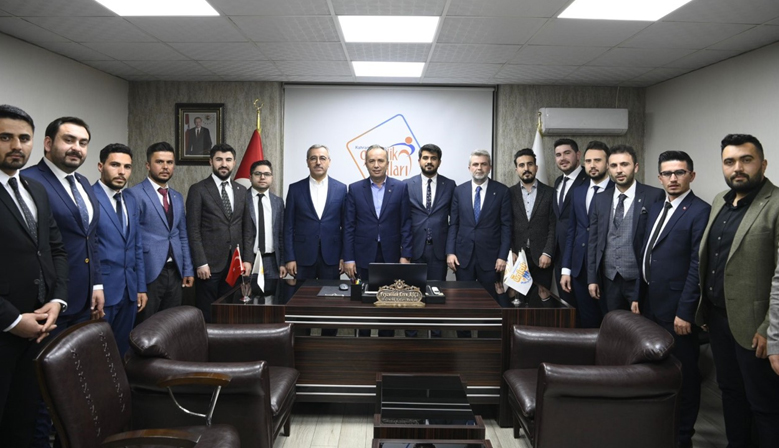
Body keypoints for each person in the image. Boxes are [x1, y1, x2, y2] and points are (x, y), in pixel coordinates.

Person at [697, 134, 779, 447]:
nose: (738, 168)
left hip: (756, 327)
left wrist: (769, 328)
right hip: (719, 320)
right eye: (729, 162)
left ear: (763, 164)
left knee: (764, 405)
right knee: (731, 393)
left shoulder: (775, 204)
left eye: (746, 160)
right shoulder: (720, 200)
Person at [0, 105, 68, 447]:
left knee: (25, 420)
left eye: (24, 138)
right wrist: (13, 320)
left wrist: (57, 300)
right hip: (6, 326)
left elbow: (55, 250)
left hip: (39, 326)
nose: (17, 145)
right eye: (5, 137)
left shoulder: (35, 189)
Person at [637, 150, 710, 448]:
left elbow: (697, 265)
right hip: (651, 305)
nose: (673, 178)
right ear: (659, 178)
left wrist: (686, 311)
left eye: (679, 172)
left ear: (691, 175)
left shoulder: (700, 211)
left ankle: (682, 438)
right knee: (658, 373)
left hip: (678, 311)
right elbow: (646, 253)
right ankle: (658, 430)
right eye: (667, 173)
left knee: (685, 377)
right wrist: (638, 297)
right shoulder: (657, 207)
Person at [343, 144, 412, 337]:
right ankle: (363, 342)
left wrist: (406, 255)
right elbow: (349, 226)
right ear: (365, 164)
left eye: (380, 160)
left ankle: (386, 344)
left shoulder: (400, 188)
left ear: (388, 163)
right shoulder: (355, 189)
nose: (376, 165)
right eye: (371, 161)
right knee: (363, 303)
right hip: (362, 255)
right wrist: (348, 258)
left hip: (391, 256)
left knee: (388, 302)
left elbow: (406, 223)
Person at [587, 145, 664, 313]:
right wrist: (592, 278)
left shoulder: (654, 196)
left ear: (635, 167)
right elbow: (593, 241)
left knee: (641, 325)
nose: (619, 170)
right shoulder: (600, 199)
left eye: (624, 164)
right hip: (609, 278)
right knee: (614, 323)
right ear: (608, 168)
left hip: (639, 279)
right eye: (614, 165)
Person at [186, 143, 253, 322]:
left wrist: (247, 259)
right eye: (219, 159)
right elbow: (193, 229)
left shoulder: (241, 191)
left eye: (228, 160)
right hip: (209, 266)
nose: (224, 164)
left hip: (235, 263)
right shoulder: (198, 189)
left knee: (231, 312)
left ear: (234, 162)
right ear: (211, 162)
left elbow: (247, 228)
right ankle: (207, 340)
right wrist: (200, 262)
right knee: (207, 312)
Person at [130, 141, 194, 325]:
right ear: (148, 165)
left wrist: (187, 269)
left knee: (171, 324)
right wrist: (139, 281)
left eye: (169, 162)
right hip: (149, 271)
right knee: (146, 325)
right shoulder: (134, 194)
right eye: (159, 162)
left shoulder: (177, 196)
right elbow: (133, 240)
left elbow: (182, 235)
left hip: (175, 272)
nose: (165, 167)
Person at [92, 143, 147, 356]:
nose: (121, 171)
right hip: (102, 291)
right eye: (115, 165)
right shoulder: (89, 197)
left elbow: (136, 245)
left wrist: (140, 287)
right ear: (100, 166)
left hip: (130, 291)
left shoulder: (131, 199)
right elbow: (88, 249)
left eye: (127, 166)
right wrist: (94, 287)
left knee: (122, 351)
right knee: (98, 352)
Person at [560, 141, 612, 328]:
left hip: (606, 269)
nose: (592, 165)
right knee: (586, 320)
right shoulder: (578, 192)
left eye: (597, 160)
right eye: (588, 161)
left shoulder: (617, 190)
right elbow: (572, 231)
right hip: (579, 267)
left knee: (610, 321)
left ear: (608, 163)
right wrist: (566, 269)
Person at [446, 149, 512, 300]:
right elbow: (453, 224)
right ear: (469, 167)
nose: (479, 168)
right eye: (475, 164)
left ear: (490, 167)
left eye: (484, 164)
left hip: (491, 259)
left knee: (489, 300)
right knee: (463, 300)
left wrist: (503, 256)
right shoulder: (459, 191)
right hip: (463, 258)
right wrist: (450, 252)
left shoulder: (502, 191)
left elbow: (506, 226)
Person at [284, 144, 346, 281]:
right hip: (302, 257)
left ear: (329, 162)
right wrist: (289, 258)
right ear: (307, 162)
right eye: (313, 158)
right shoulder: (295, 189)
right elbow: (288, 227)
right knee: (302, 294)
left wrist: (344, 256)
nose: (318, 162)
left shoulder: (341, 189)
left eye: (322, 158)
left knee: (330, 294)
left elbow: (346, 227)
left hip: (332, 257)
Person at [404, 143, 456, 282]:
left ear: (439, 162)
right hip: (413, 249)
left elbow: (455, 222)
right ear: (419, 161)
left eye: (433, 158)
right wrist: (403, 250)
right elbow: (402, 220)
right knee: (413, 290)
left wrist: (450, 250)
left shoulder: (450, 185)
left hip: (439, 251)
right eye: (425, 158)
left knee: (437, 290)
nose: (429, 161)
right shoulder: (407, 185)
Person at [508, 148, 556, 290]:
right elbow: (506, 225)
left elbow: (553, 225)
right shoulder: (509, 193)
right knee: (517, 299)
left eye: (530, 164)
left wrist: (547, 252)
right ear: (516, 169)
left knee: (542, 298)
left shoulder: (550, 193)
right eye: (521, 165)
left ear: (536, 167)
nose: (526, 169)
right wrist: (511, 250)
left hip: (542, 258)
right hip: (517, 257)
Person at [552, 138, 588, 306]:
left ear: (578, 155)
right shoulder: (558, 181)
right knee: (566, 306)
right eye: (558, 155)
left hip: (581, 255)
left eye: (567, 153)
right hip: (560, 254)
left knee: (584, 307)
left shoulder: (589, 180)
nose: (562, 158)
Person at [248, 160, 285, 284]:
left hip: (272, 261)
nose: (262, 177)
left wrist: (282, 262)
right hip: (249, 260)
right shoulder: (241, 199)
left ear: (272, 177)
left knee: (273, 295)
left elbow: (281, 234)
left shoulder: (278, 202)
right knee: (245, 294)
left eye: (267, 174)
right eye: (258, 174)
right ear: (250, 177)